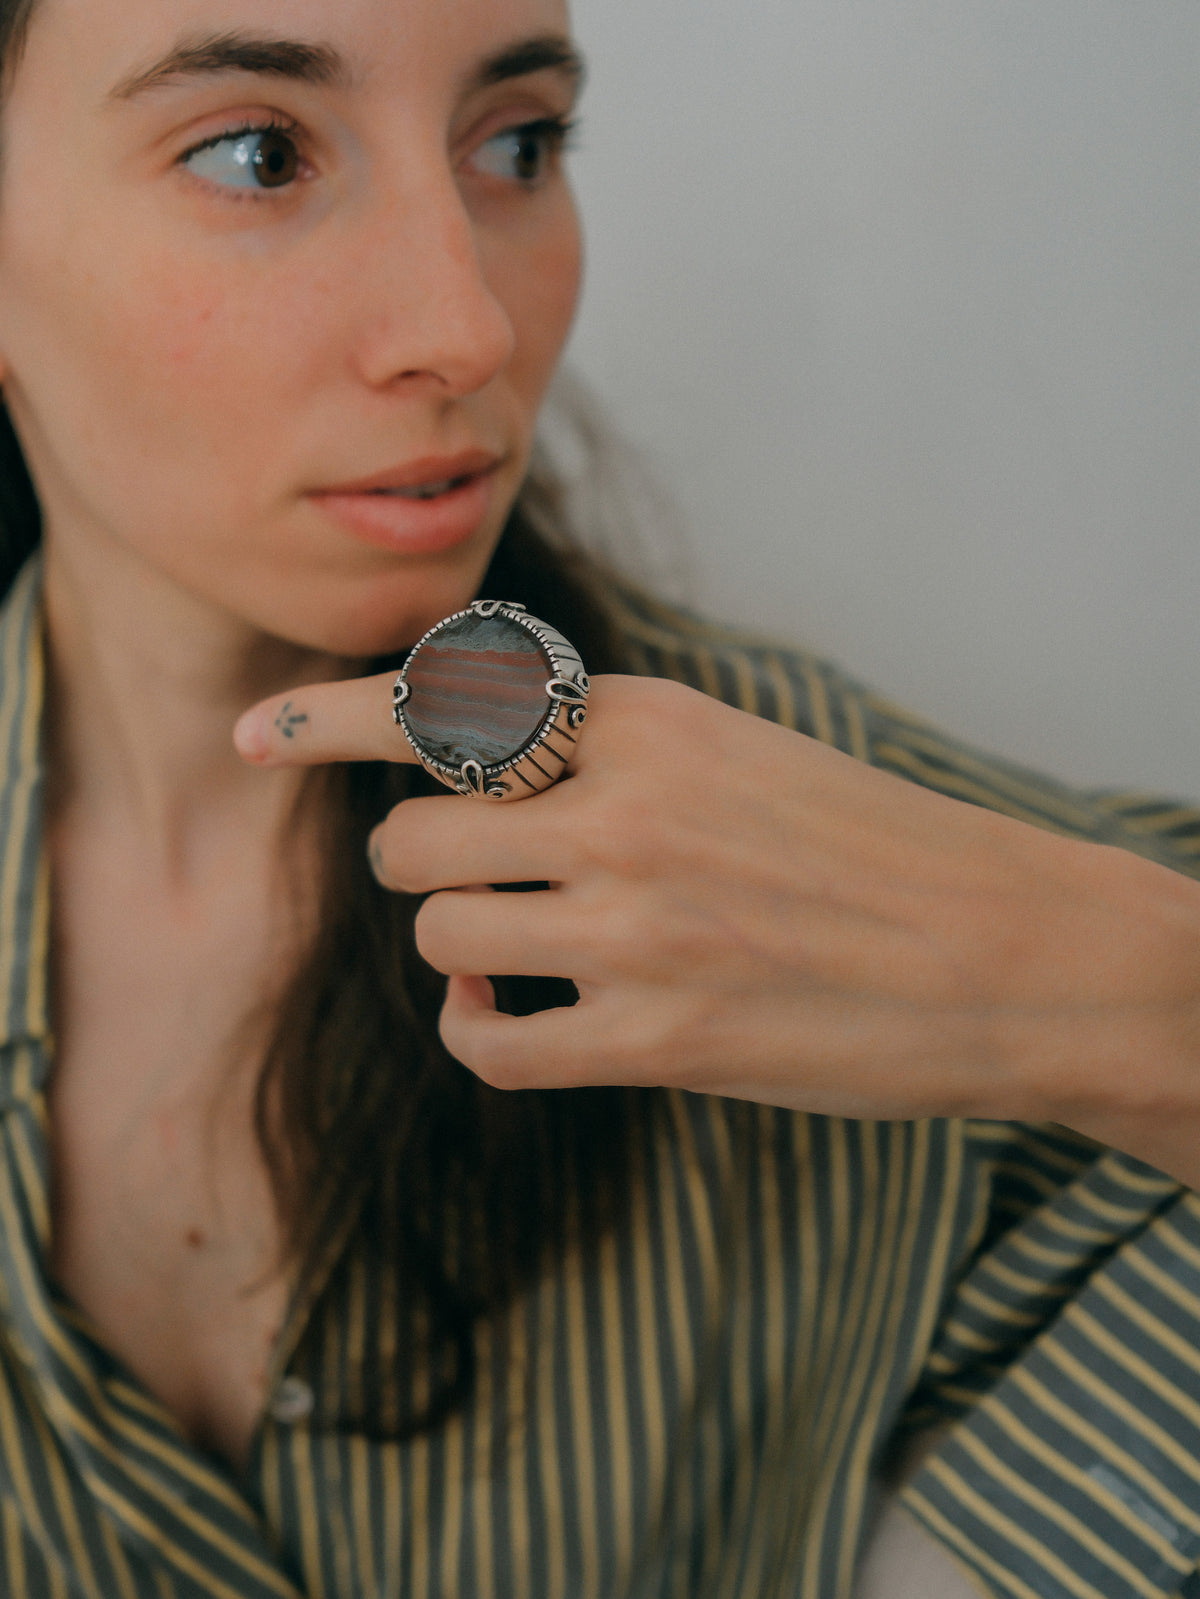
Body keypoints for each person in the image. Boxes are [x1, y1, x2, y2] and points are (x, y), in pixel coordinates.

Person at [0, 0, 1198, 1595]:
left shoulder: (808, 839)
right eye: (257, 153)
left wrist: (1111, 994)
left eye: (518, 144)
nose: (468, 326)